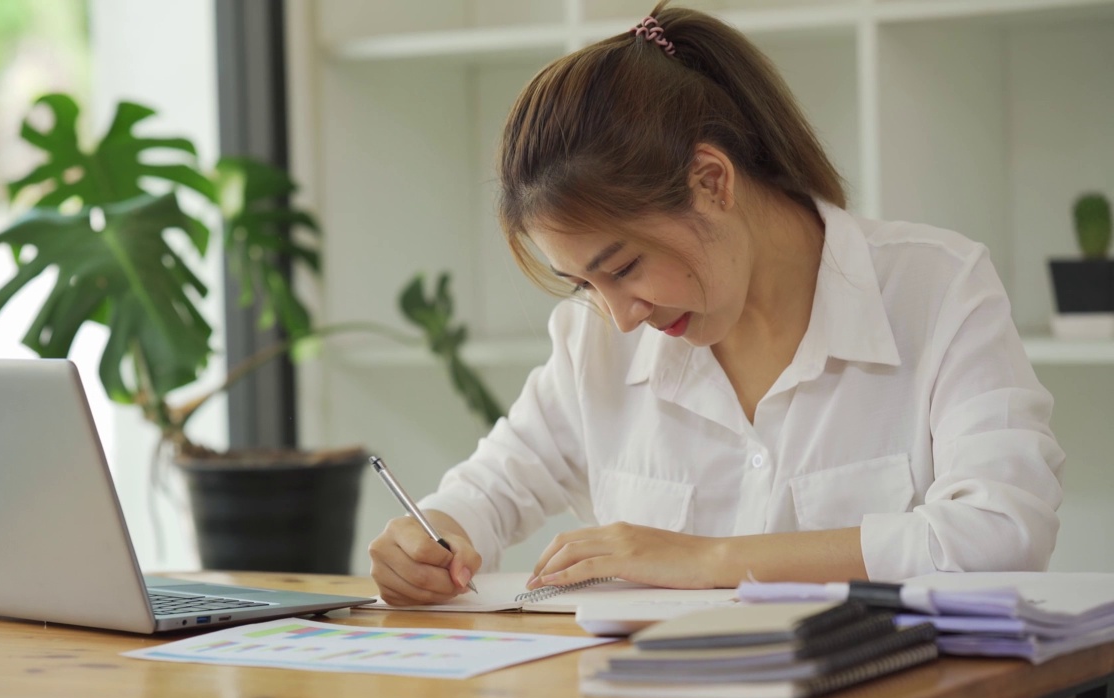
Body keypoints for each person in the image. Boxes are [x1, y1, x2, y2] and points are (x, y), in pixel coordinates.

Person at [368, 1, 1064, 607]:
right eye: (584, 284)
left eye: (625, 266)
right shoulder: (594, 347)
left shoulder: (938, 289)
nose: (618, 315)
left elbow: (1002, 531)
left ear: (711, 180)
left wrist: (707, 560)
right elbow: (485, 495)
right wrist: (432, 537)